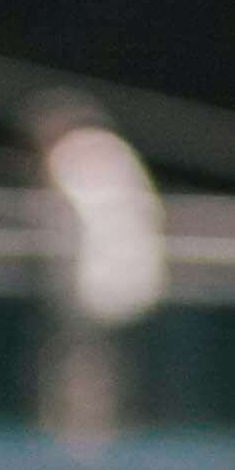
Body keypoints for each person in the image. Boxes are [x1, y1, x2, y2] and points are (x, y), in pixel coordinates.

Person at [27, 91, 166, 446]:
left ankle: (82, 437)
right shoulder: (118, 153)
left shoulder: (71, 154)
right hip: (135, 277)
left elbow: (66, 216)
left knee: (82, 361)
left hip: (91, 281)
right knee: (118, 362)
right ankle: (109, 431)